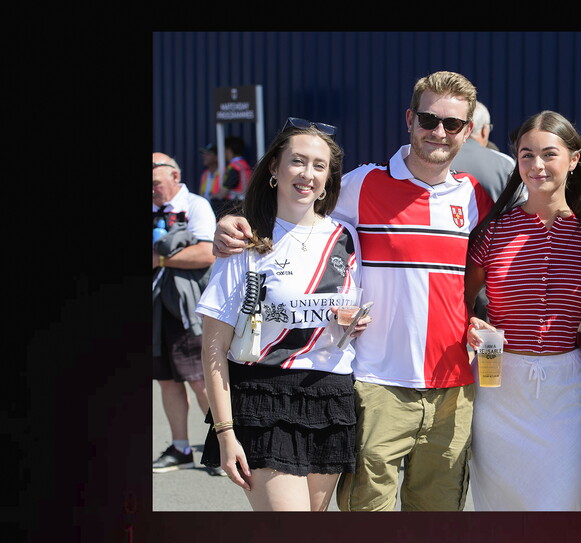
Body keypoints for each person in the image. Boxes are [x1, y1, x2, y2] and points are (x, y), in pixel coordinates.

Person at [212, 71, 495, 511]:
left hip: (451, 387)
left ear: (468, 130)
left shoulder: (476, 196)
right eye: (429, 119)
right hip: (373, 384)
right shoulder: (361, 184)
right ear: (409, 119)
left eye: (453, 124)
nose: (439, 132)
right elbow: (294, 206)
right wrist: (231, 223)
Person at [195, 119, 367, 511]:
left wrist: (351, 323)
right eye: (298, 161)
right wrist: (225, 433)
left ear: (329, 177)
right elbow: (213, 347)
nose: (308, 174)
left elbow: (345, 315)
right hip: (263, 394)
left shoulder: (346, 237)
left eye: (319, 166)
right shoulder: (245, 239)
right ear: (274, 167)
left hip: (330, 396)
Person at [464, 111, 581, 511]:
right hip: (499, 386)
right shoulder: (494, 229)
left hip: (568, 390)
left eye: (549, 154)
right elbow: (458, 299)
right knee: (499, 509)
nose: (537, 165)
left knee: (560, 507)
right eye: (526, 155)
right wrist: (469, 324)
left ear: (574, 159)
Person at [151, 152, 217, 474]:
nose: (151, 190)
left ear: (174, 177)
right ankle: (180, 447)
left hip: (188, 308)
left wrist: (161, 260)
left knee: (199, 380)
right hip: (155, 308)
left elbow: (208, 253)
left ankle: (222, 446)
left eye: (155, 184)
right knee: (166, 380)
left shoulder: (196, 206)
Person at [450, 100, 517, 321]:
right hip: (488, 277)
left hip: (443, 272)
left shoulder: (433, 162)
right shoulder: (505, 165)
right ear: (484, 130)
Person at [212, 136, 253, 213]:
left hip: (234, 206)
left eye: (224, 150)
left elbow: (224, 192)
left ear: (229, 150)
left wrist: (212, 197)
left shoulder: (234, 167)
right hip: (246, 204)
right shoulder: (244, 165)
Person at [197, 143, 226, 218]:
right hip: (205, 210)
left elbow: (223, 194)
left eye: (208, 154)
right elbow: (201, 194)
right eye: (204, 154)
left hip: (219, 210)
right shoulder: (205, 174)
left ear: (217, 157)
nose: (204, 156)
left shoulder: (224, 172)